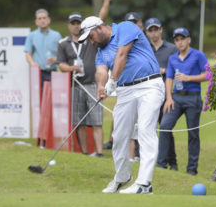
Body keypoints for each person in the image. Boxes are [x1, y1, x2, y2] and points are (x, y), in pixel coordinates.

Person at [78, 16, 165, 194]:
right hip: (125, 91)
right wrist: (102, 85)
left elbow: (122, 54)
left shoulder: (125, 28)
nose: (91, 41)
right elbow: (101, 70)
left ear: (100, 28)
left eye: (91, 36)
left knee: (145, 130)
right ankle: (123, 176)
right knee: (118, 136)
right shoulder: (100, 51)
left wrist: (113, 80)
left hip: (149, 85)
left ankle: (144, 184)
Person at [157, 27, 208, 176]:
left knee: (193, 133)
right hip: (176, 98)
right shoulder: (173, 58)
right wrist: (169, 98)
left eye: (182, 39)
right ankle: (161, 164)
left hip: (193, 97)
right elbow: (169, 78)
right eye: (177, 40)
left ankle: (191, 169)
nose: (180, 43)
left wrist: (188, 78)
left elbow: (208, 75)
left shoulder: (198, 55)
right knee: (165, 126)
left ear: (189, 40)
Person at [56, 12, 104, 157]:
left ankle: (100, 152)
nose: (76, 26)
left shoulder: (91, 39)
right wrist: (72, 68)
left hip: (92, 84)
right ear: (69, 26)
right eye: (73, 23)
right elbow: (61, 65)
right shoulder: (63, 43)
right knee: (79, 122)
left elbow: (101, 18)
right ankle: (84, 152)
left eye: (78, 23)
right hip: (74, 85)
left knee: (97, 120)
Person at [103, 11, 144, 152]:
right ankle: (114, 141)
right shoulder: (120, 41)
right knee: (120, 115)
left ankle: (138, 151)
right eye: (129, 23)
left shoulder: (143, 41)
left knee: (143, 121)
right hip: (126, 85)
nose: (132, 26)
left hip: (145, 86)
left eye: (135, 23)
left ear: (141, 25)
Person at [145, 18, 179, 171]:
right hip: (149, 93)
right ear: (146, 32)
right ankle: (154, 159)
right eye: (150, 30)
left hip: (166, 94)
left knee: (165, 128)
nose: (153, 33)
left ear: (161, 30)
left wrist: (164, 70)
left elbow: (178, 67)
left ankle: (171, 162)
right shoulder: (144, 48)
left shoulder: (171, 49)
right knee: (150, 128)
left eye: (155, 29)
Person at [24, 9, 62, 89]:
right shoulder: (31, 36)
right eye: (39, 18)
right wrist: (32, 63)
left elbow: (62, 54)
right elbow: (28, 54)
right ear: (36, 21)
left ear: (49, 20)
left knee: (53, 98)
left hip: (54, 72)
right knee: (39, 98)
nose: (42, 21)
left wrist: (56, 60)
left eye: (44, 18)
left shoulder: (56, 35)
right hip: (38, 72)